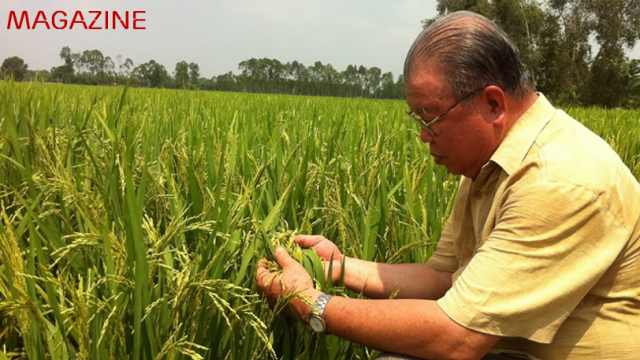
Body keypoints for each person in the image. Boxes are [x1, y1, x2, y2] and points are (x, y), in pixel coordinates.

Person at [256, 10, 640, 360]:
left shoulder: (556, 179)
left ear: (492, 104)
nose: (424, 136)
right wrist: (336, 268)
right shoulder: (489, 163)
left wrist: (312, 303)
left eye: (429, 117)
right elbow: (442, 278)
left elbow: (456, 338)